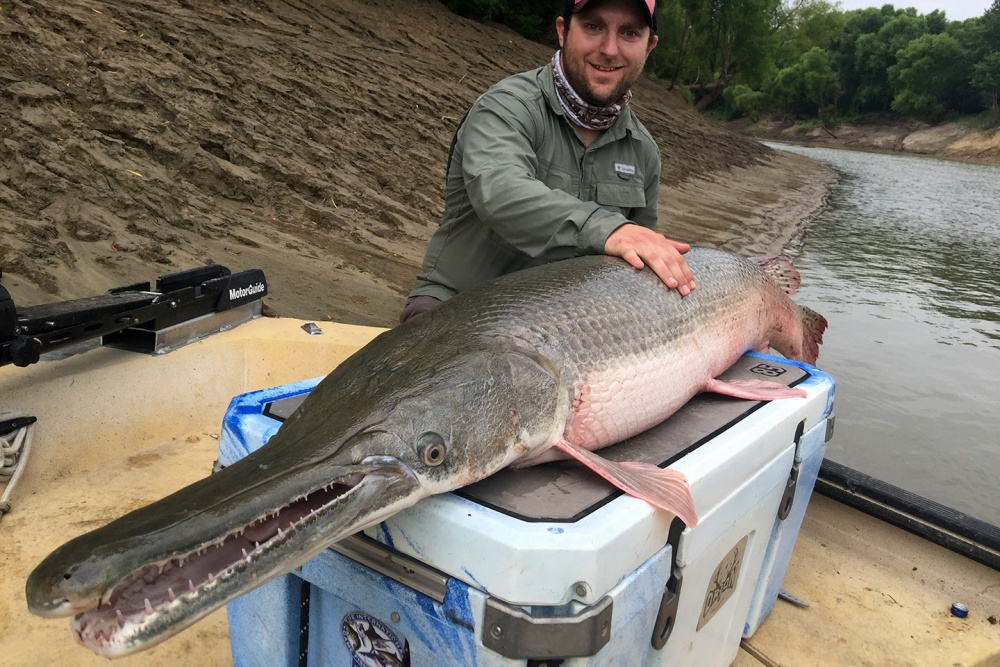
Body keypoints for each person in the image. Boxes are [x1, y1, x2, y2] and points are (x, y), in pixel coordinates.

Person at [400, 0, 696, 324]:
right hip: (461, 306)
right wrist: (609, 229)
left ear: (649, 46)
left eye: (629, 32)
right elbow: (499, 190)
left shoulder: (644, 152)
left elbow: (634, 266)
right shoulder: (506, 108)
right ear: (563, 31)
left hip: (566, 323)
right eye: (593, 26)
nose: (610, 49)